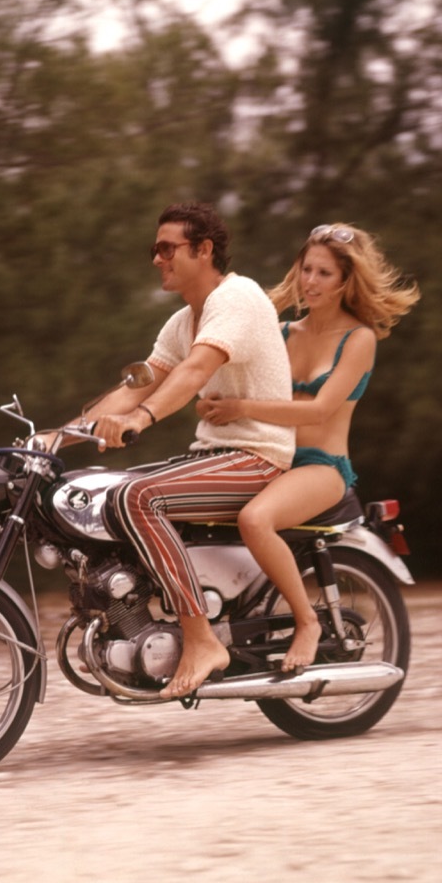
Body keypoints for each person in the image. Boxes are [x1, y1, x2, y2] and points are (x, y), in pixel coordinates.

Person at [83, 202, 295, 699]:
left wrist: (141, 419)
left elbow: (194, 370)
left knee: (137, 498)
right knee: (103, 492)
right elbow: (138, 384)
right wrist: (58, 435)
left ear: (203, 250)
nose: (157, 259)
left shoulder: (237, 297)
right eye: (153, 249)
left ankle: (201, 639)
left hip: (259, 456)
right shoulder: (183, 321)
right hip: (214, 456)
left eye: (166, 248)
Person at [198, 223, 419, 673]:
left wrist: (241, 407)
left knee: (255, 520)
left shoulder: (359, 339)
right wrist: (211, 400)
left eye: (324, 273)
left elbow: (318, 411)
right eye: (306, 269)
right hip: (266, 455)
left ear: (345, 281)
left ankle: (307, 622)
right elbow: (228, 381)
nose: (311, 281)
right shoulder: (280, 332)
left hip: (320, 468)